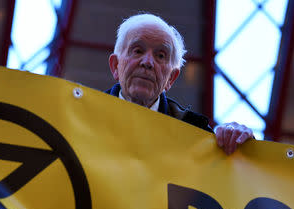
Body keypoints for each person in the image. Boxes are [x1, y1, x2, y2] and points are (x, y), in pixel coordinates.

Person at [106, 14, 253, 155]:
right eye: (138, 51)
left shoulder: (196, 133)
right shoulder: (84, 115)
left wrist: (242, 145)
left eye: (160, 56)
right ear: (115, 65)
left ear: (171, 78)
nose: (148, 62)